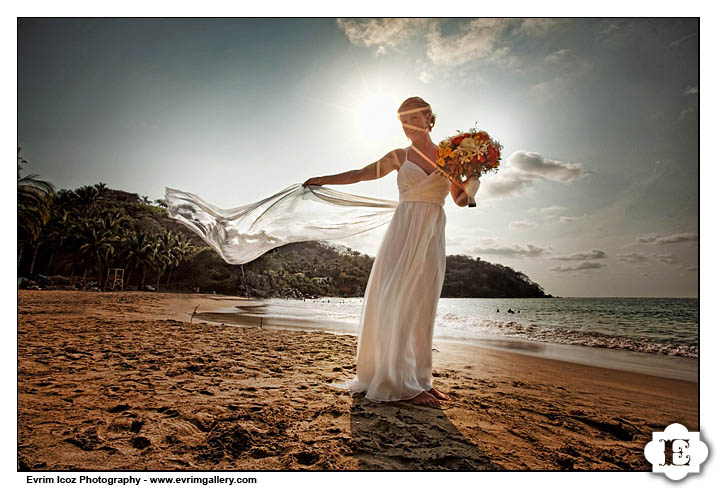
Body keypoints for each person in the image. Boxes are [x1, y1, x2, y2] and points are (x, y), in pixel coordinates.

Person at [304, 96, 474, 407]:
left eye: (414, 118)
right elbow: (360, 174)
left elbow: (463, 200)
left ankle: (420, 380)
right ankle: (396, 384)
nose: (408, 125)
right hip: (403, 231)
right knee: (397, 300)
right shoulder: (399, 155)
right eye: (402, 120)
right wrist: (322, 180)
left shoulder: (449, 158)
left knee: (422, 306)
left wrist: (473, 177)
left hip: (432, 232)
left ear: (429, 119)